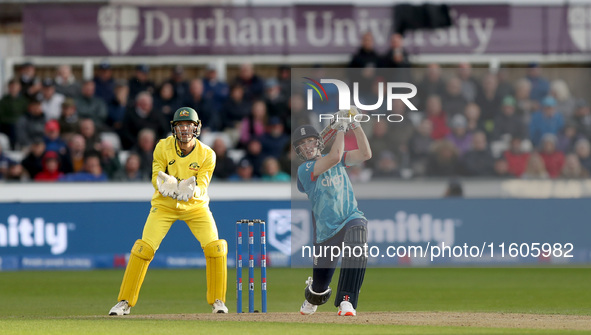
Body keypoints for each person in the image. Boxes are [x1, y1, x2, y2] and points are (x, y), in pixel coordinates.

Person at [109, 107, 228, 316]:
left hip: (195, 206)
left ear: (196, 127)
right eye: (180, 125)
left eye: (188, 125)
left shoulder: (207, 154)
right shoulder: (162, 147)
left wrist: (191, 190)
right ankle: (124, 302)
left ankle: (218, 301)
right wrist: (167, 185)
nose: (184, 130)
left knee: (215, 248)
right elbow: (156, 175)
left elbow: (203, 185)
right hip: (165, 204)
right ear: (174, 128)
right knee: (143, 249)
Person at [293, 107, 372, 317]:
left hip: (350, 216)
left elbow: (366, 154)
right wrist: (340, 127)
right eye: (302, 145)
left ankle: (347, 301)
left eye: (310, 141)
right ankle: (313, 295)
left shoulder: (338, 158)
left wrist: (355, 125)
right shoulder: (305, 170)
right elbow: (334, 157)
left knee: (357, 240)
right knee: (319, 290)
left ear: (318, 142)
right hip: (326, 230)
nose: (307, 147)